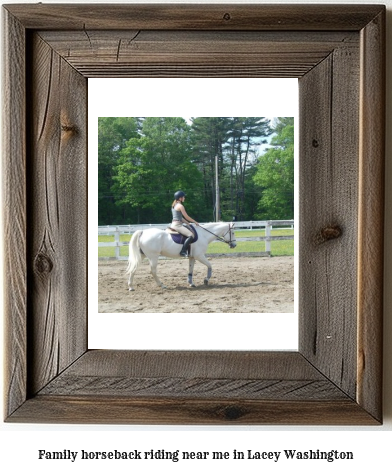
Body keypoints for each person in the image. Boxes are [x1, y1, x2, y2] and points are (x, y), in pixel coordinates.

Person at [171, 190, 199, 257]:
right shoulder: (180, 206)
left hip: (175, 223)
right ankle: (183, 251)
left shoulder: (174, 205)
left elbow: (181, 218)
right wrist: (195, 222)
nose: (184, 198)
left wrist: (188, 223)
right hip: (177, 225)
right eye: (183, 197)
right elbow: (186, 216)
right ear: (180, 198)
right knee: (191, 235)